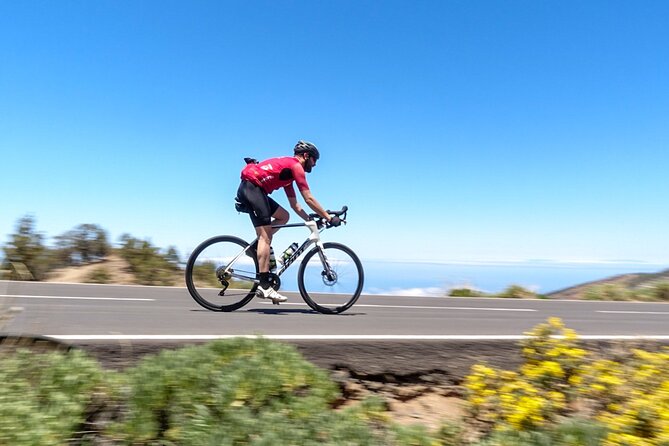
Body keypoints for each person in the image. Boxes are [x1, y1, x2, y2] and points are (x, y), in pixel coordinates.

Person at [236, 140, 341, 303]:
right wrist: (328, 218)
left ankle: (259, 246)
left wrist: (310, 220)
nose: (315, 164)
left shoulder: (288, 173)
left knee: (284, 216)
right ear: (306, 156)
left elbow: (295, 205)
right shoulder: (296, 167)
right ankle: (264, 286)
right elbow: (309, 198)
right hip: (252, 190)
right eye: (314, 160)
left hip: (254, 191)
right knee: (266, 237)